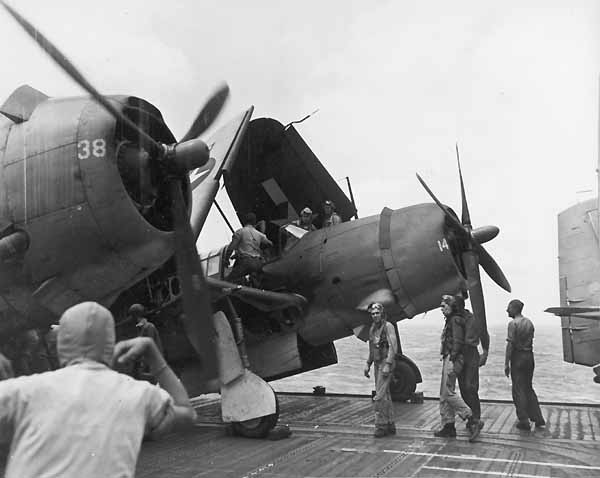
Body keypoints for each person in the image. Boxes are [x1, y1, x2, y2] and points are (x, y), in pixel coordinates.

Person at [0, 301, 196, 478]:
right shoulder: (138, 393)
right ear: (111, 344)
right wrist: (153, 354)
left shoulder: (26, 390)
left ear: (61, 345)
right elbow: (188, 414)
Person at [433, 295, 472, 438]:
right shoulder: (451, 320)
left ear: (451, 306)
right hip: (449, 357)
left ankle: (470, 416)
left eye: (444, 306)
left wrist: (452, 359)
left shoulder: (454, 320)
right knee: (444, 393)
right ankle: (449, 425)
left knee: (448, 392)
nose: (441, 309)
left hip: (452, 358)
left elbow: (457, 341)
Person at [450, 294, 487, 441]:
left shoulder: (470, 319)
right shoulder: (455, 319)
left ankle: (476, 418)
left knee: (470, 387)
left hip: (470, 353)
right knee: (464, 389)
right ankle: (472, 418)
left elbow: (469, 339)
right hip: (461, 355)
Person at [505, 299, 545, 430]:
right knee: (528, 387)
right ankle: (538, 418)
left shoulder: (513, 324)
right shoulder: (529, 322)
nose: (507, 310)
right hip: (529, 356)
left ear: (515, 309)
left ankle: (523, 420)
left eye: (509, 308)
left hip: (518, 357)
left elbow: (510, 344)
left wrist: (506, 363)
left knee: (518, 389)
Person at [363, 302, 397, 437]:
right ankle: (390, 424)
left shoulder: (388, 327)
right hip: (377, 363)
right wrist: (368, 364)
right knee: (385, 395)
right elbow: (372, 349)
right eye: (372, 313)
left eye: (377, 313)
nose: (375, 315)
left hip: (385, 362)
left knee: (379, 396)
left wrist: (388, 364)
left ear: (382, 313)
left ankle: (381, 425)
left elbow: (393, 346)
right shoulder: (372, 329)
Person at [226, 212, 273, 283]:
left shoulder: (240, 232)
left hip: (246, 262)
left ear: (245, 221)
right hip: (258, 263)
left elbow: (230, 248)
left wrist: (226, 259)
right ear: (254, 222)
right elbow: (270, 244)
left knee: (229, 281)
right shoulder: (260, 235)